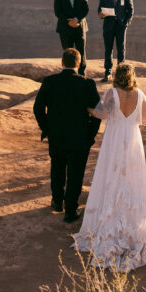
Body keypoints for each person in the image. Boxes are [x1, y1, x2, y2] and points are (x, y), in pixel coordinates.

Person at [74, 63, 146, 272]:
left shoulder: (111, 92)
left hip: (114, 139)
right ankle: (133, 223)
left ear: (117, 76)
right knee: (132, 176)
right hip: (132, 138)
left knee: (111, 174)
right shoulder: (140, 94)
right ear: (132, 76)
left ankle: (109, 217)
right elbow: (143, 119)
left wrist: (87, 109)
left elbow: (102, 114)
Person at [33, 49, 101, 223]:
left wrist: (46, 128)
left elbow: (38, 108)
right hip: (80, 138)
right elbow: (98, 113)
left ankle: (57, 202)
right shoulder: (87, 84)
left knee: (57, 168)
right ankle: (70, 210)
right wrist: (90, 135)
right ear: (78, 64)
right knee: (75, 174)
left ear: (62, 63)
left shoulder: (50, 82)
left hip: (56, 135)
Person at [98, 0, 134, 82]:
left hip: (121, 25)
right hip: (108, 25)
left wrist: (126, 23)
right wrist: (101, 13)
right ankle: (108, 72)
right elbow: (100, 8)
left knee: (121, 49)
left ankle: (121, 74)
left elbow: (131, 9)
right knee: (108, 49)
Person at [54, 0, 89, 76]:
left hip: (80, 28)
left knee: (81, 52)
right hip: (65, 29)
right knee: (67, 53)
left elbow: (85, 9)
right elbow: (57, 12)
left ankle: (82, 75)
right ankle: (68, 75)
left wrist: (77, 20)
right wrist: (69, 21)